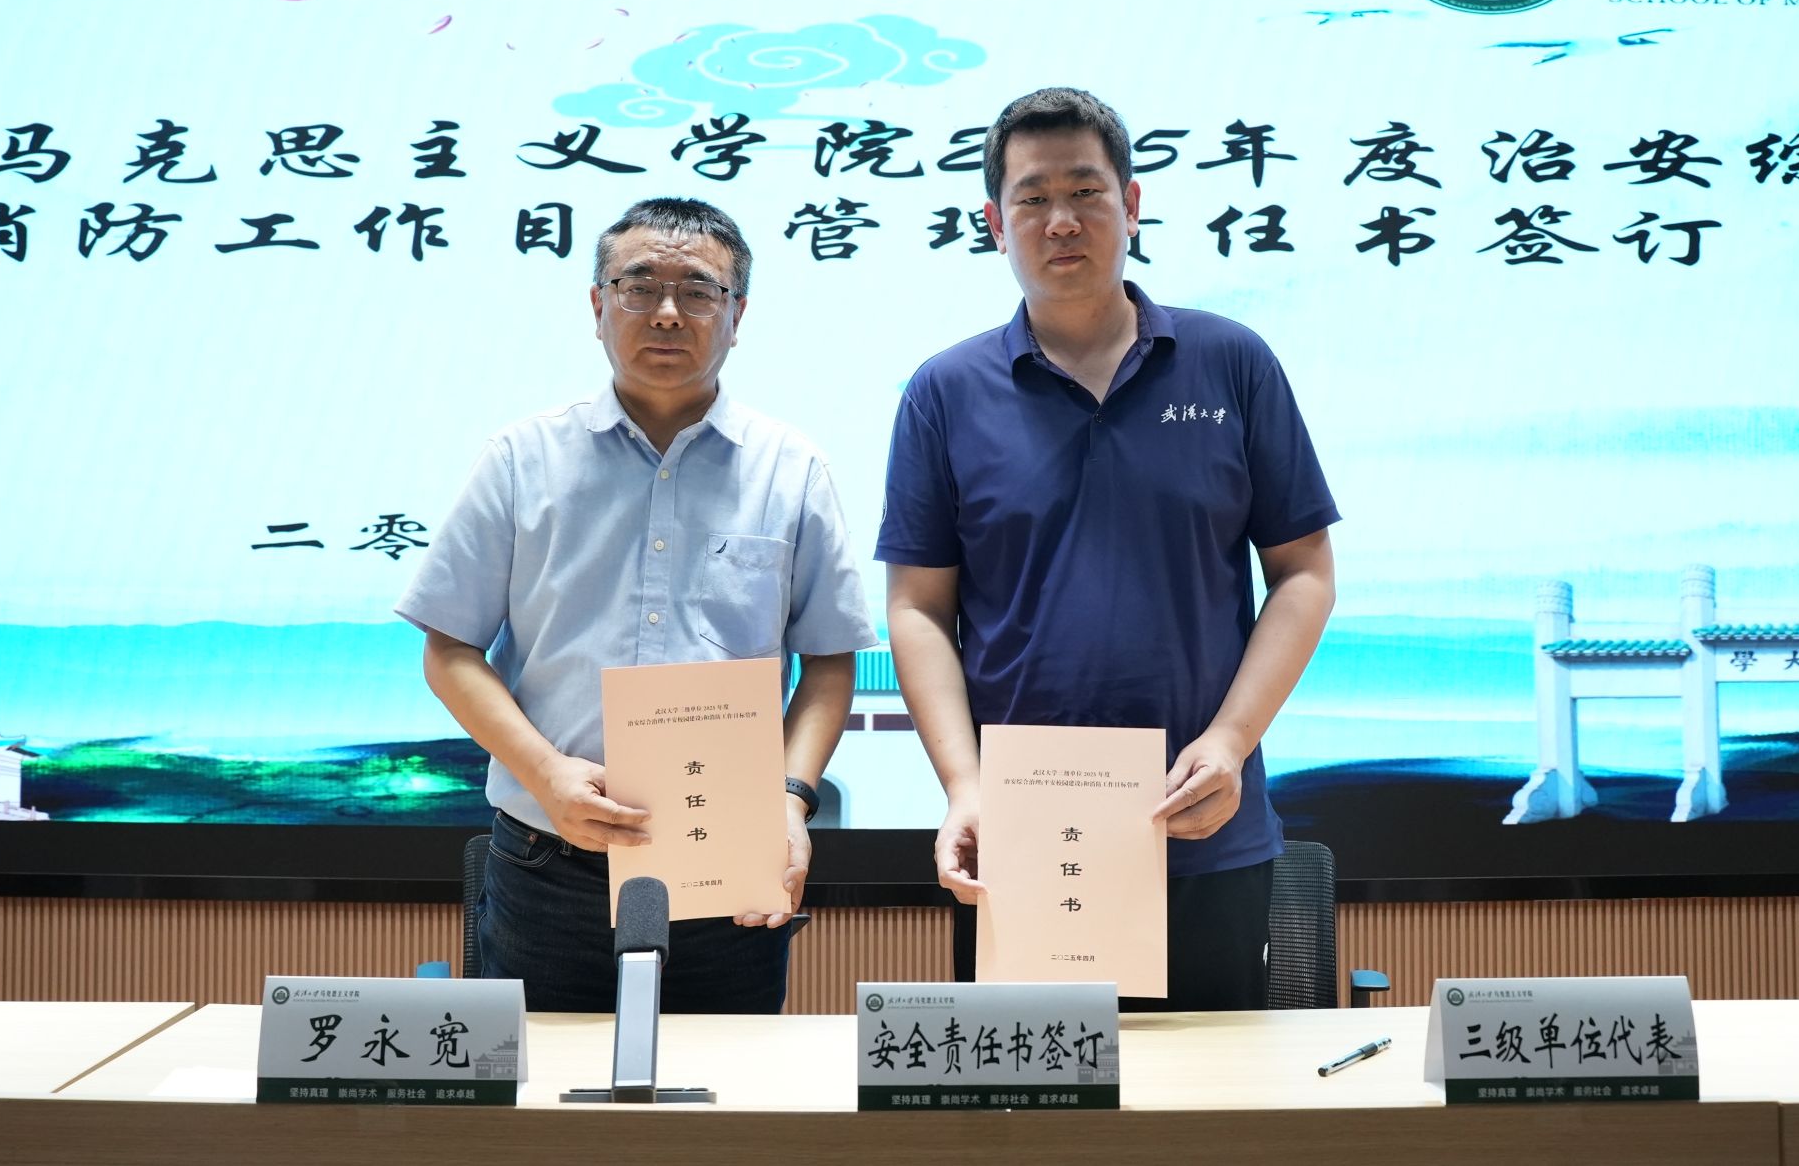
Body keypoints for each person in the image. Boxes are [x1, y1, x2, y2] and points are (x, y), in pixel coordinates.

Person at [877, 87, 1339, 1011]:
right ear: (993, 223)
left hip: (1202, 825)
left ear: (1130, 204)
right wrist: (964, 785)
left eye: (1086, 192)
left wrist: (1230, 739)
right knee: (1029, 1092)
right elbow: (919, 607)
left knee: (1217, 1094)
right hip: (1019, 836)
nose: (1061, 221)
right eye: (1032, 198)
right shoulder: (944, 391)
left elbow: (1303, 575)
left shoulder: (1231, 362)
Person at [398, 196, 875, 1013]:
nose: (666, 312)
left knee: (724, 1091)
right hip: (549, 863)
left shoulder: (791, 471)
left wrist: (790, 800)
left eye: (698, 291)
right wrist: (547, 774)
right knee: (539, 1091)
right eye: (639, 285)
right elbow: (449, 651)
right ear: (597, 305)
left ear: (737, 315)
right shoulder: (521, 459)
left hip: (728, 868)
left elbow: (829, 664)